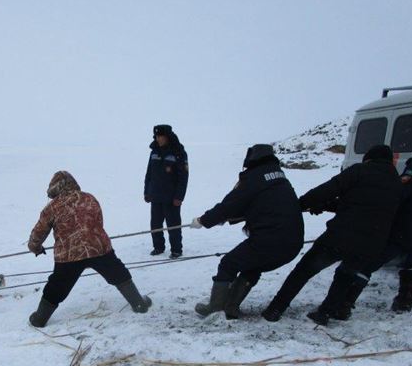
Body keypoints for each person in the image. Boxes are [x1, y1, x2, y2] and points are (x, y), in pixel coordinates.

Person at [262, 144, 403, 325]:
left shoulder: (360, 171)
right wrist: (326, 206)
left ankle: (276, 309)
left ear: (368, 158)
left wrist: (300, 205)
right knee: (345, 276)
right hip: (371, 243)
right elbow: (363, 206)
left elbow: (328, 189)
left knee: (304, 270)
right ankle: (325, 313)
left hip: (341, 236)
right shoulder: (397, 183)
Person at [334, 139, 412, 316]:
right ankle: (405, 301)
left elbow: (400, 191)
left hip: (407, 225)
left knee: (370, 260)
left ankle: (343, 303)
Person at [190, 144, 304, 319]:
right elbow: (258, 207)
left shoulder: (255, 178)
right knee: (252, 265)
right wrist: (226, 218)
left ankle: (216, 309)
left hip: (270, 241)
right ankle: (230, 307)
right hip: (293, 244)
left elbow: (229, 205)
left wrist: (203, 221)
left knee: (228, 263)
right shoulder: (280, 178)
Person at [27, 171, 152, 327]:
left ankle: (40, 318)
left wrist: (35, 247)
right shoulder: (89, 198)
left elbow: (38, 232)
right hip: (98, 248)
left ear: (55, 188)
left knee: (57, 286)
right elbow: (99, 221)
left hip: (69, 255)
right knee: (118, 273)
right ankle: (139, 303)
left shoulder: (52, 207)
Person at [144, 124, 189, 258]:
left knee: (173, 225)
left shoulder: (179, 152)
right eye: (156, 136)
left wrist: (179, 197)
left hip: (171, 197)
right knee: (155, 224)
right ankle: (158, 247)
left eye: (160, 136)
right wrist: (147, 191)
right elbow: (149, 174)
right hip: (156, 195)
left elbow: (184, 177)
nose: (158, 139)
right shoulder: (154, 152)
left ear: (167, 136)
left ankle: (176, 249)